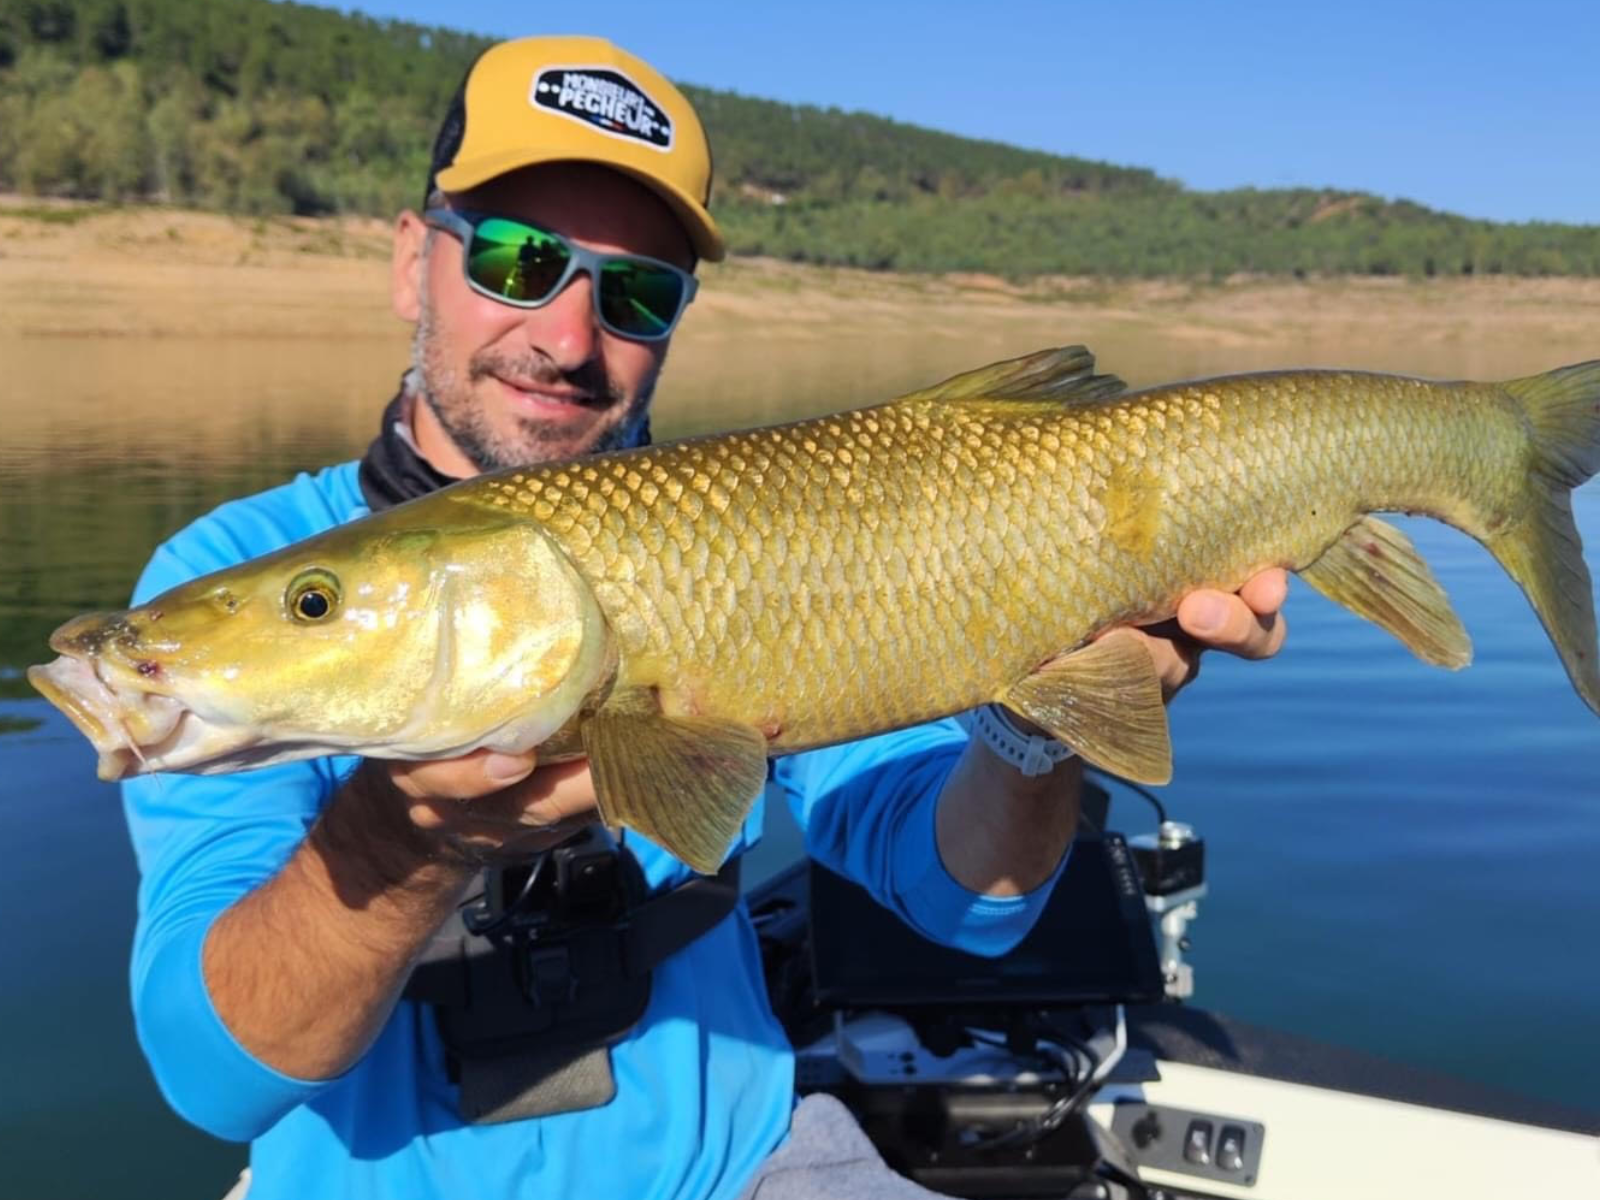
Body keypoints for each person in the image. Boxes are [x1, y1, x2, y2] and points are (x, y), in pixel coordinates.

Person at [120, 36, 1288, 1200]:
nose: (568, 339)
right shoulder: (232, 570)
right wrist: (404, 841)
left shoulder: (757, 533)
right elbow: (212, 1079)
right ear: (411, 264)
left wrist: (1046, 723)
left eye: (637, 292)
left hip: (744, 1167)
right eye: (520, 260)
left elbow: (968, 907)